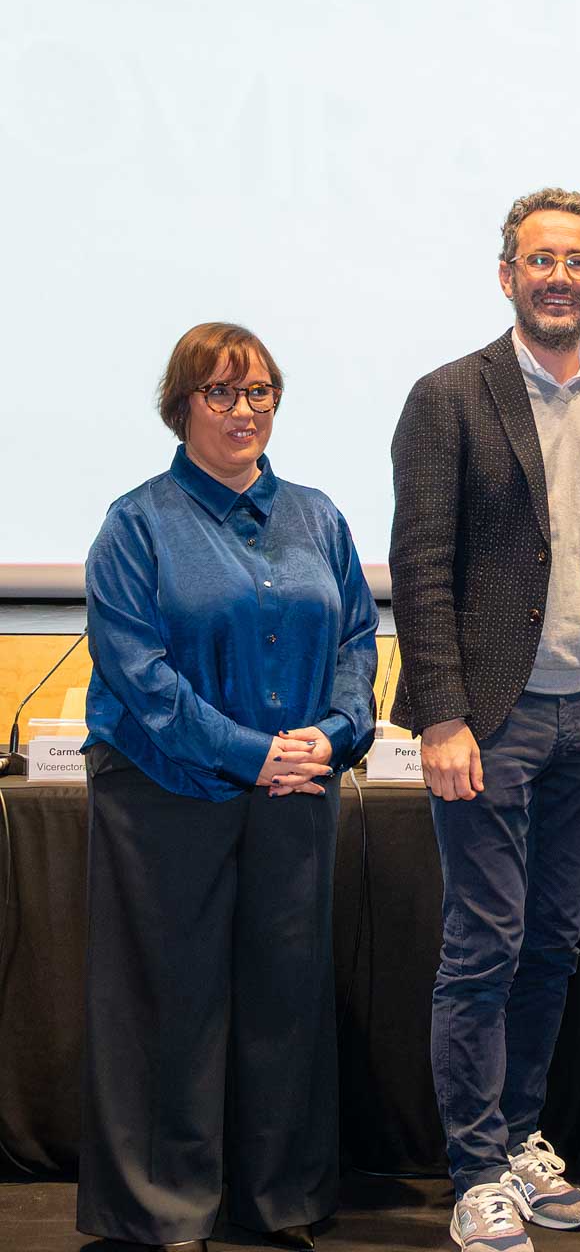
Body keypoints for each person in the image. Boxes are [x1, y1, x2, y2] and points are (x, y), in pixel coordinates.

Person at [388, 188, 580, 1252]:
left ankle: (515, 1141)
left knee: (551, 943)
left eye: (577, 261)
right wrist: (441, 718)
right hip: (489, 723)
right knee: (484, 946)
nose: (559, 277)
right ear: (507, 274)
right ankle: (473, 1173)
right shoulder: (448, 397)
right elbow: (421, 565)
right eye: (541, 259)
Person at [78, 322, 378, 1252]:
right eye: (221, 392)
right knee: (172, 1002)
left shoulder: (320, 517)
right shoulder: (136, 524)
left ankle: (276, 1198)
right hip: (164, 788)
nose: (244, 410)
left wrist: (336, 733)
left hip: (299, 789)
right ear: (182, 406)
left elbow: (357, 641)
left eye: (259, 393)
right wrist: (250, 752)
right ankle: (164, 1210)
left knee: (287, 998)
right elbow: (138, 673)